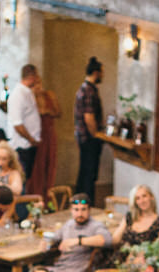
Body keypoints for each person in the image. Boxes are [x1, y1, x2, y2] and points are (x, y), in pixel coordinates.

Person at [52, 194, 109, 272]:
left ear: (89, 210)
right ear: (71, 210)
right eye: (76, 210)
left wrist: (78, 241)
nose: (80, 214)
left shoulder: (95, 226)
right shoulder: (68, 225)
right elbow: (54, 237)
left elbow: (106, 240)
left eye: (83, 209)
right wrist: (45, 242)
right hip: (59, 269)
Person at [72, 56, 104, 198]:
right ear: (96, 73)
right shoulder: (89, 91)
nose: (103, 76)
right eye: (102, 72)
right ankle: (86, 202)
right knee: (89, 173)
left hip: (82, 136)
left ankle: (79, 201)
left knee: (84, 171)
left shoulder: (84, 89)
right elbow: (88, 116)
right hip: (89, 138)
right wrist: (96, 134)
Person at [25, 74, 60, 196]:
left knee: (50, 164)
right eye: (35, 85)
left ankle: (48, 195)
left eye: (39, 83)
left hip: (49, 134)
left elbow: (58, 112)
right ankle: (35, 196)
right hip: (36, 135)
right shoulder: (30, 99)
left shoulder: (49, 95)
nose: (38, 87)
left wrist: (47, 112)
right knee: (37, 167)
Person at [8, 63, 42, 179]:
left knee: (28, 178)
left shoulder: (28, 92)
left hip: (30, 144)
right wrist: (31, 139)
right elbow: (17, 124)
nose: (38, 79)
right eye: (36, 76)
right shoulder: (18, 95)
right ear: (31, 77)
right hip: (22, 146)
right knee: (22, 178)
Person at [110, 183, 159, 251]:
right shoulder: (130, 216)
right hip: (120, 257)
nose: (141, 201)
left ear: (151, 197)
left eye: (144, 196)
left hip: (141, 260)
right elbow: (115, 240)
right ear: (135, 202)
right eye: (137, 198)